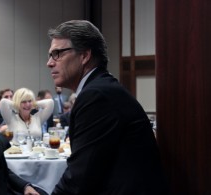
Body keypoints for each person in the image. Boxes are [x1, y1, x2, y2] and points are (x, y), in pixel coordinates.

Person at [46, 20, 169, 194]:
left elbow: (80, 178)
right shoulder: (101, 88)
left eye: (57, 53)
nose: (49, 62)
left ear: (84, 56)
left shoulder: (96, 96)